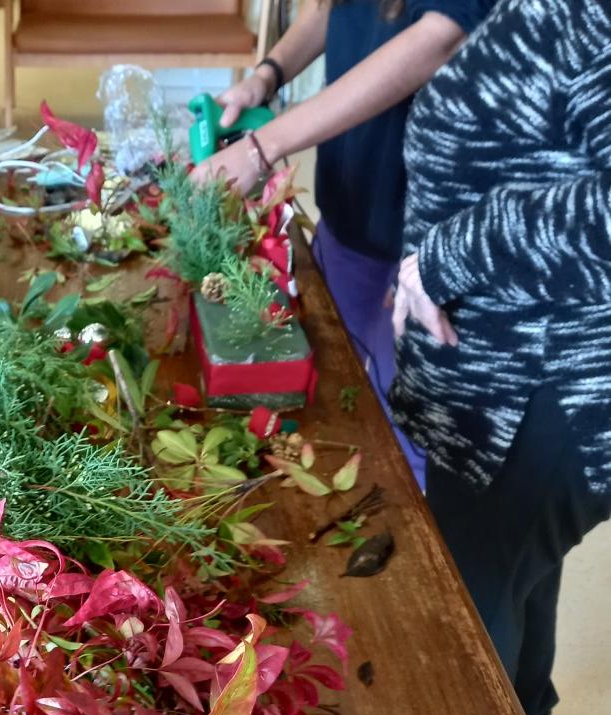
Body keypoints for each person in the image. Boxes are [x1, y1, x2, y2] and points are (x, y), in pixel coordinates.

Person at [390, 0, 611, 715]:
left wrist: (448, 256)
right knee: (516, 576)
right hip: (508, 381)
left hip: (549, 385)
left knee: (469, 623)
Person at [194, 0, 496, 486]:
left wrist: (263, 147)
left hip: (432, 236)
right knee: (333, 379)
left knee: (417, 431)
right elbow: (328, 10)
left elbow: (440, 36)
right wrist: (268, 74)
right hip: (351, 199)